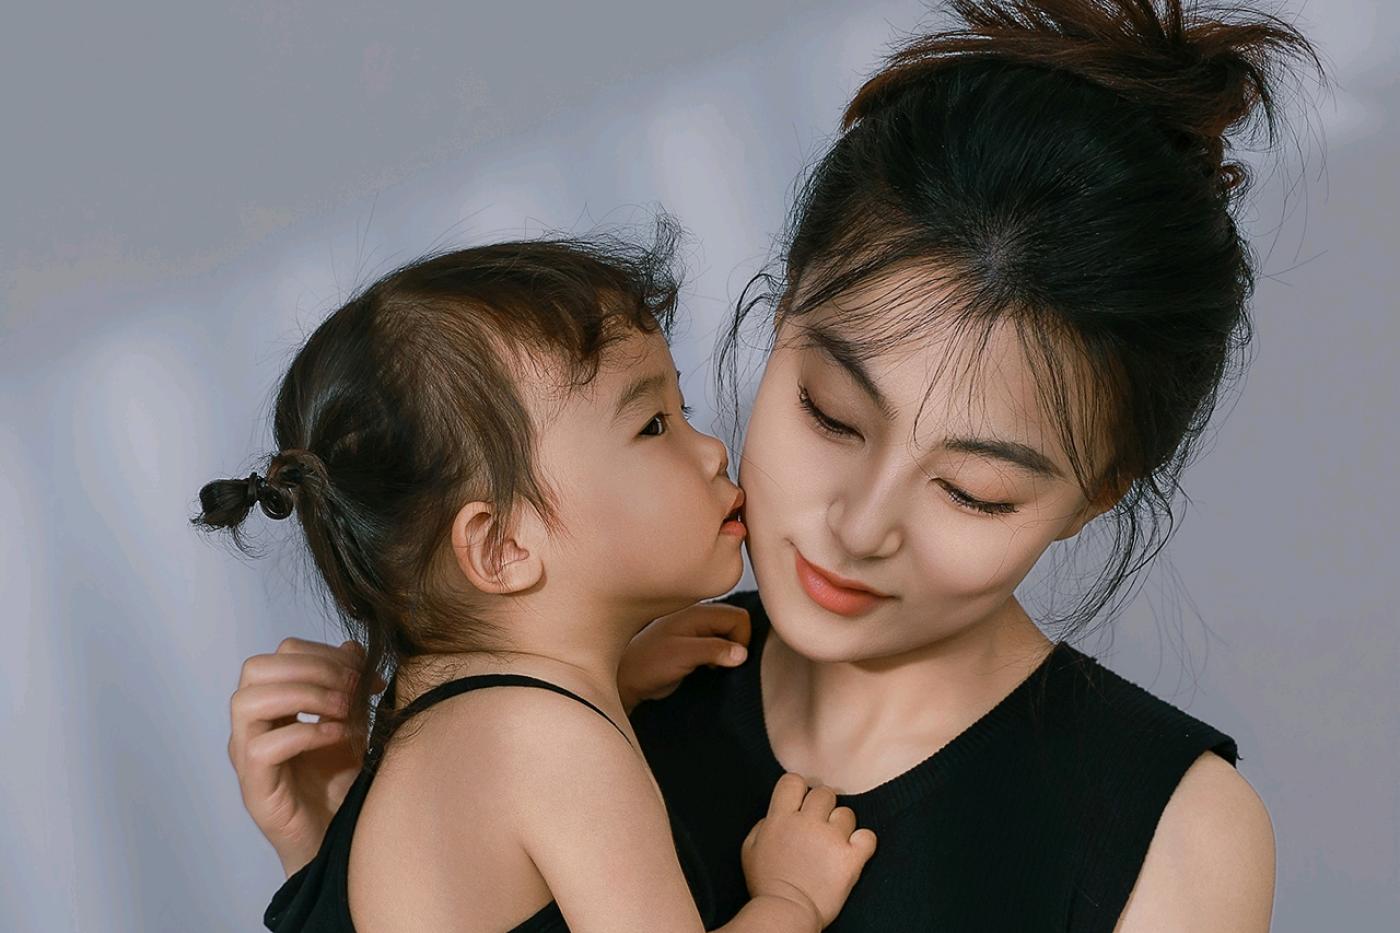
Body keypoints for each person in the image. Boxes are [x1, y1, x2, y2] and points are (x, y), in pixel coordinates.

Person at [225, 1, 1322, 929]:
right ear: (779, 309)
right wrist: (339, 850)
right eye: (830, 415)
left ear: (1096, 494)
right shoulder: (597, 678)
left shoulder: (1172, 837)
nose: (858, 525)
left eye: (972, 491)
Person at [200, 231, 878, 932]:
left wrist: (614, 677)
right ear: (499, 546)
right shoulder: (557, 744)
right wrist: (790, 899)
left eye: (685, 412)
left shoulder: (420, 730)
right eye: (653, 426)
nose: (712, 452)